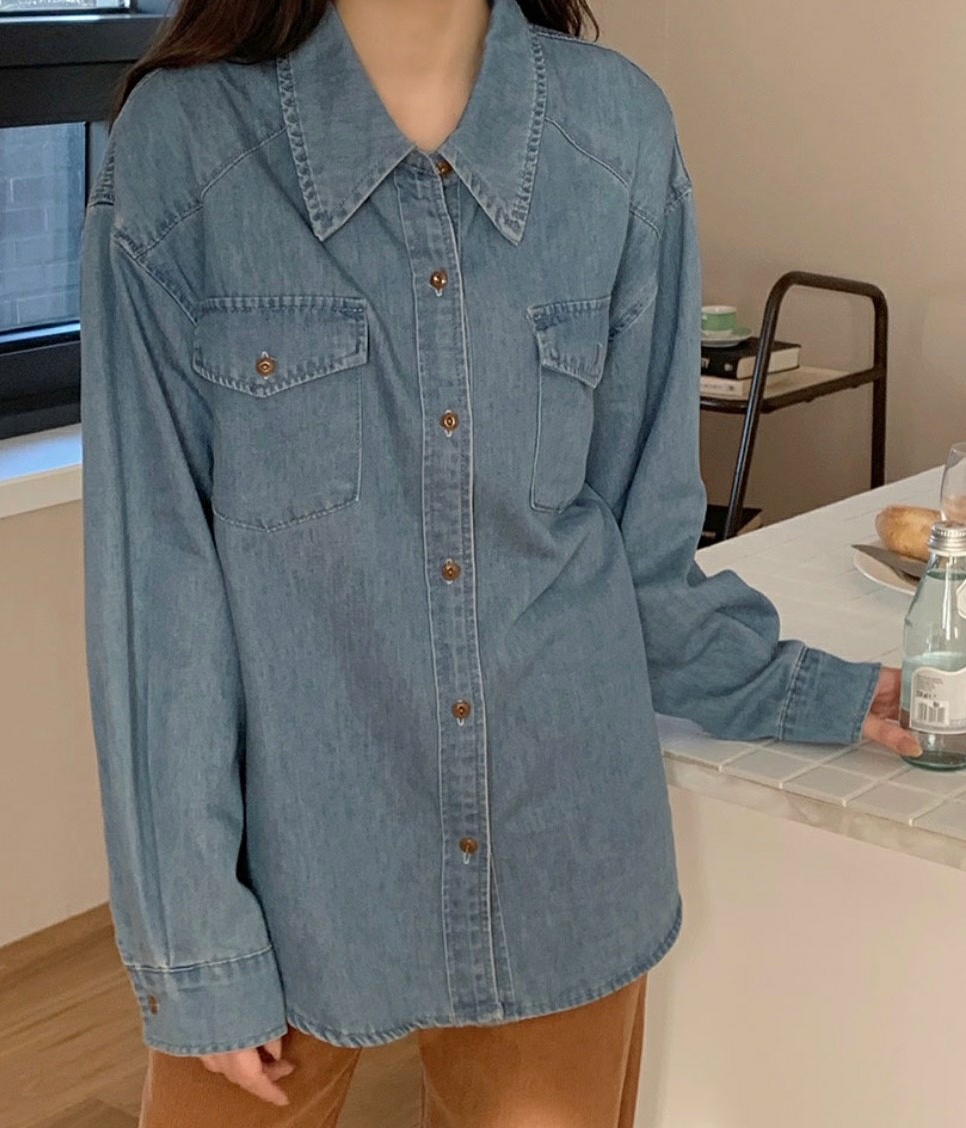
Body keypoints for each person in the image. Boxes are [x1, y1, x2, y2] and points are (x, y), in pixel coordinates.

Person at [78, 1, 920, 1124]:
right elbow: (157, 592)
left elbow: (644, 556)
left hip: (562, 857)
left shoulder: (617, 132)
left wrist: (824, 693)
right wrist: (196, 946)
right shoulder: (185, 148)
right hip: (293, 875)